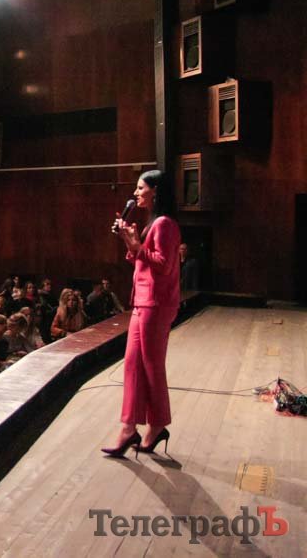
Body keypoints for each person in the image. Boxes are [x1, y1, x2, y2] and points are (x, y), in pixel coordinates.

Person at [104, 169, 181, 457]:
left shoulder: (165, 224)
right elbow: (143, 260)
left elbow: (163, 265)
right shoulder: (153, 223)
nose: (135, 193)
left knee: (151, 366)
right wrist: (129, 240)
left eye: (140, 188)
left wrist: (137, 246)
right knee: (133, 366)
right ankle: (129, 428)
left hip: (156, 304)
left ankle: (157, 424)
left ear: (155, 191)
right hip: (144, 302)